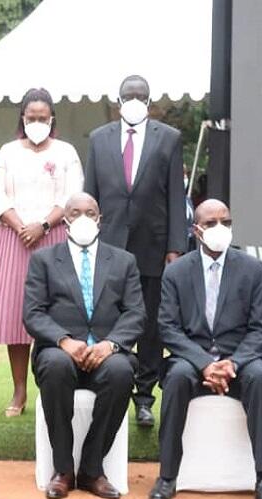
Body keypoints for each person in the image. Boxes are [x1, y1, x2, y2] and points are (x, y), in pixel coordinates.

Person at [149, 200, 262, 499]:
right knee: (178, 376)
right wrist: (205, 364)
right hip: (192, 360)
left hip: (239, 361)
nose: (219, 228)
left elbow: (261, 328)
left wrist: (232, 363)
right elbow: (168, 329)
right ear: (196, 230)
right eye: (211, 223)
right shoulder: (177, 272)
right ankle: (167, 476)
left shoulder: (252, 269)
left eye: (226, 221)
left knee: (261, 376)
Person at [23, 193, 144, 499]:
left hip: (107, 352)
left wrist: (111, 344)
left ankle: (92, 468)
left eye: (90, 213)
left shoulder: (123, 260)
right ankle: (63, 470)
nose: (84, 219)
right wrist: (64, 341)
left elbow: (135, 313)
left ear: (100, 219)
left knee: (120, 372)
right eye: (76, 213)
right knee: (55, 366)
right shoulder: (44, 260)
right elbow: (33, 313)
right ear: (65, 221)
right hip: (60, 351)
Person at [85, 75, 187, 428]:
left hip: (153, 247)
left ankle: (144, 399)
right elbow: (90, 196)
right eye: (128, 95)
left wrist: (176, 247)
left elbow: (176, 195)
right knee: (107, 319)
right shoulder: (99, 140)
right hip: (109, 246)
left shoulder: (169, 139)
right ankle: (108, 385)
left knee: (148, 326)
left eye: (140, 96)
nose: (134, 100)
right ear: (118, 100)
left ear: (149, 101)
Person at [0, 88, 84, 417]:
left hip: (54, 236)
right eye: (32, 118)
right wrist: (20, 226)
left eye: (43, 118)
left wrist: (42, 225)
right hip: (14, 239)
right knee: (18, 315)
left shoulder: (66, 152)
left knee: (56, 313)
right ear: (23, 119)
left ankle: (54, 386)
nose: (37, 123)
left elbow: (73, 196)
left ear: (51, 119)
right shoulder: (8, 152)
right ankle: (19, 391)